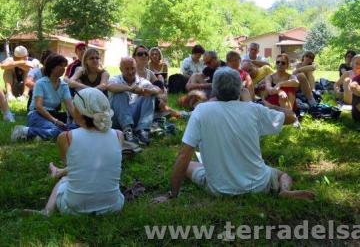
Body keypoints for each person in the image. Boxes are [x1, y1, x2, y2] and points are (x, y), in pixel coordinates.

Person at [153, 67, 314, 202]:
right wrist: (255, 102)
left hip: (219, 189)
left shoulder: (201, 111)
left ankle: (196, 182)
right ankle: (284, 190)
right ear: (239, 88)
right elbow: (291, 116)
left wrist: (172, 195)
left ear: (215, 89)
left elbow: (183, 156)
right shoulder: (253, 109)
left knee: (189, 165)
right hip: (258, 185)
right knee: (282, 175)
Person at [25, 88, 124, 216]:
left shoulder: (66, 137)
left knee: (64, 180)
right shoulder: (119, 135)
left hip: (74, 209)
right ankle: (58, 173)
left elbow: (72, 164)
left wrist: (62, 172)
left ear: (79, 112)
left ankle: (47, 211)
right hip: (114, 206)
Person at [11, 54, 77, 141]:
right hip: (37, 114)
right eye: (60, 65)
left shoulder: (64, 85)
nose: (63, 68)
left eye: (64, 66)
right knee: (57, 131)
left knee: (77, 128)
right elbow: (39, 107)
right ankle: (24, 131)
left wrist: (81, 122)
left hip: (53, 113)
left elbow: (70, 107)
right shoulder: (40, 83)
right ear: (52, 67)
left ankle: (39, 135)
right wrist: (55, 121)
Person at [108, 57, 160, 146]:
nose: (130, 72)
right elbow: (109, 86)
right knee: (120, 94)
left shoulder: (141, 81)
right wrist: (130, 89)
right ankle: (127, 131)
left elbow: (157, 89)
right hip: (117, 119)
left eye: (132, 68)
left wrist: (147, 91)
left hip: (134, 118)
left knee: (148, 94)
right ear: (121, 69)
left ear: (136, 68)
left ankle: (143, 130)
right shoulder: (115, 79)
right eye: (127, 69)